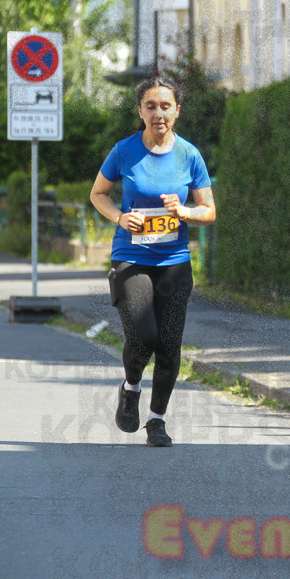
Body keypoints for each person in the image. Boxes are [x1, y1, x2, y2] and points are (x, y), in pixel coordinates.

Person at [89, 75, 216, 447]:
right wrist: (118, 217)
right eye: (150, 106)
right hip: (131, 257)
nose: (158, 113)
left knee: (170, 345)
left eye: (165, 106)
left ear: (176, 111)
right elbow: (98, 194)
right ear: (140, 111)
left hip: (174, 260)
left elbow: (209, 211)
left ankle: (157, 421)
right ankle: (130, 388)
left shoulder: (189, 155)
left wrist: (186, 211)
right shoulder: (124, 151)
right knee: (143, 335)